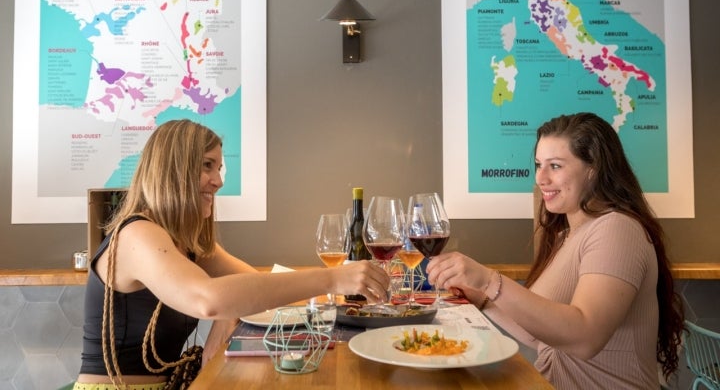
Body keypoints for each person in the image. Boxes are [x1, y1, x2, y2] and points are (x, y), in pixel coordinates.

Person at [75, 119, 389, 389]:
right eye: (207, 165)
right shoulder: (137, 234)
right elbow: (208, 299)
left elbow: (254, 288)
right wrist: (333, 279)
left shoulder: (189, 243)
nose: (219, 180)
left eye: (219, 167)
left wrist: (228, 315)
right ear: (175, 170)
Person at [427, 112, 684, 389]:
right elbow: (542, 336)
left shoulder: (617, 229)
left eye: (556, 166)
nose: (541, 177)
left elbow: (586, 338)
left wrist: (489, 280)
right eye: (539, 165)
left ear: (593, 168)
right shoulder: (566, 236)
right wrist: (482, 298)